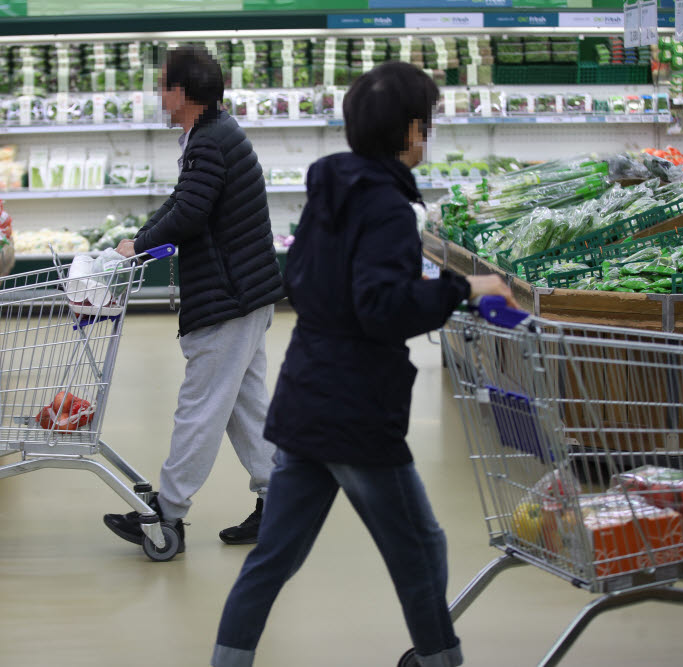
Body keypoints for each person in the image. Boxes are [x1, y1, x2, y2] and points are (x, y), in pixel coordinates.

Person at [210, 62, 519, 667]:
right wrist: (465, 291)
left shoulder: (329, 187)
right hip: (358, 412)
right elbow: (382, 307)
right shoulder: (389, 206)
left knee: (274, 556)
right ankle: (440, 659)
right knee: (421, 548)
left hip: (305, 399)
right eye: (425, 125)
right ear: (409, 131)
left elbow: (300, 279)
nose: (427, 137)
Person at [104, 46, 285, 553]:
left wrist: (138, 246)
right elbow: (184, 203)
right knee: (243, 406)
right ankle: (280, 503)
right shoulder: (215, 134)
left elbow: (189, 213)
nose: (159, 96)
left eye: (163, 86)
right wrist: (140, 237)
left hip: (228, 296)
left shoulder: (209, 141)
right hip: (247, 291)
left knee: (200, 408)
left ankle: (167, 514)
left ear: (181, 92)